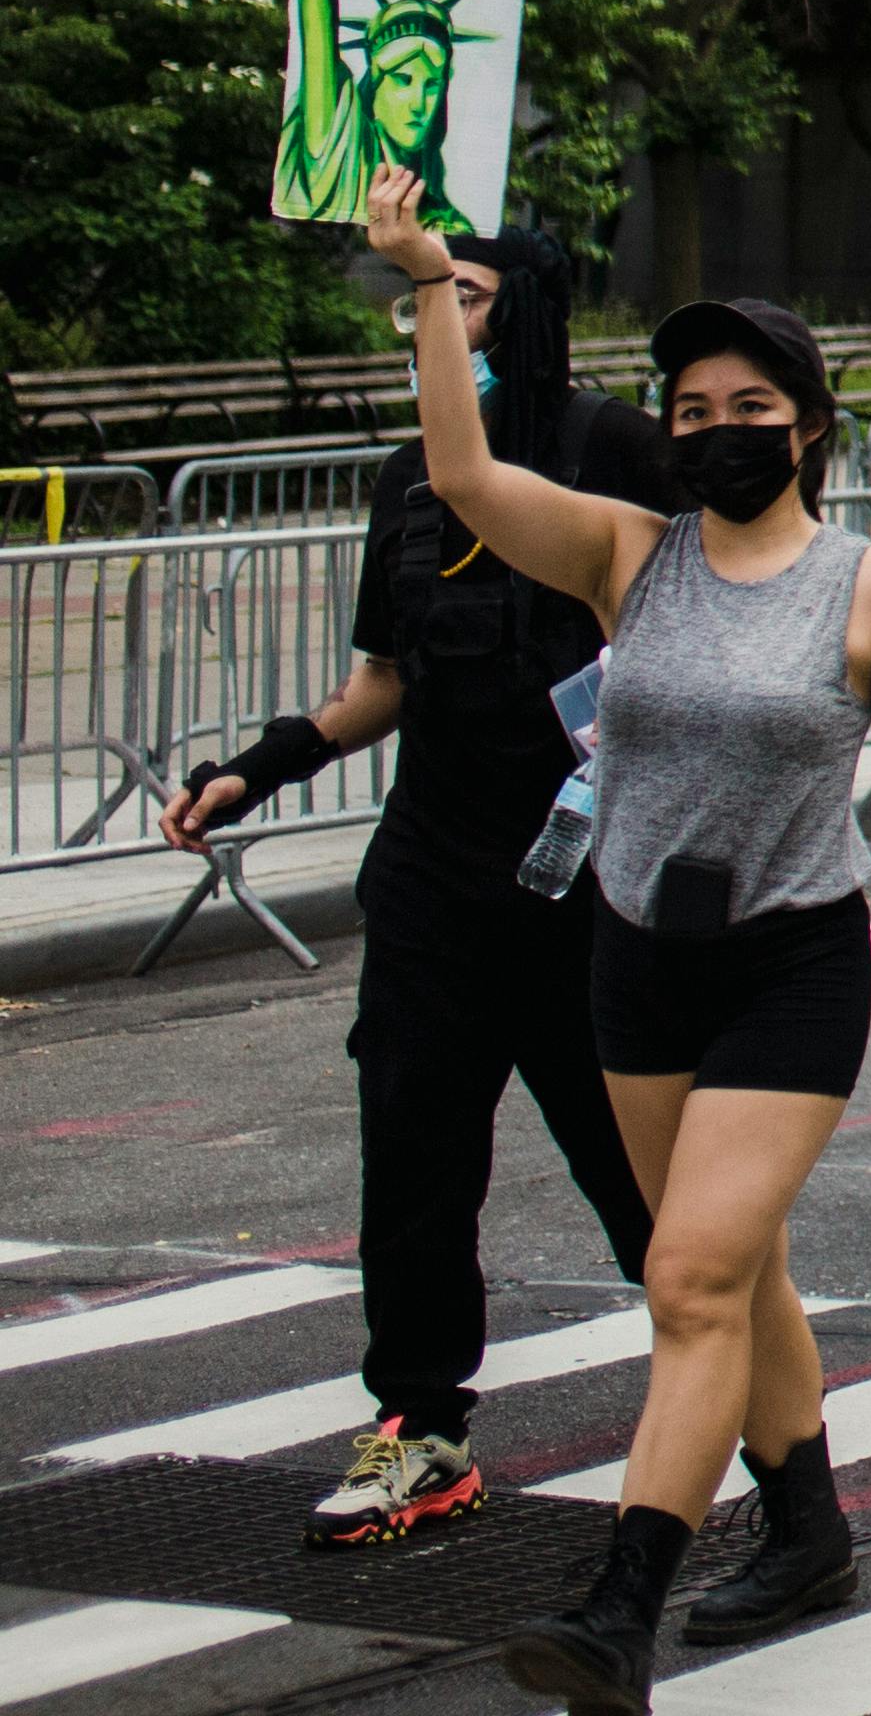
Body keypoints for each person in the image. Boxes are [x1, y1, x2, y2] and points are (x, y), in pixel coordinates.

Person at [356, 188, 871, 1710]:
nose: (716, 430)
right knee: (729, 1271)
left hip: (790, 967)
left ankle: (622, 1607)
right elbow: (461, 472)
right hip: (635, 958)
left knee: (688, 1272)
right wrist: (434, 285)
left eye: (750, 406)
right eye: (691, 409)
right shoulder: (632, 555)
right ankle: (812, 1525)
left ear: (811, 428)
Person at [161, 224, 662, 1551]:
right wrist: (253, 772)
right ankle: (420, 1426)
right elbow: (380, 682)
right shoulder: (408, 480)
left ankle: (727, 1369)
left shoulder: (610, 450)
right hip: (436, 880)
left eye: (465, 296)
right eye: (427, 298)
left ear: (529, 313)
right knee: (417, 1164)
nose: (434, 321)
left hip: (582, 885)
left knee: (629, 1163)